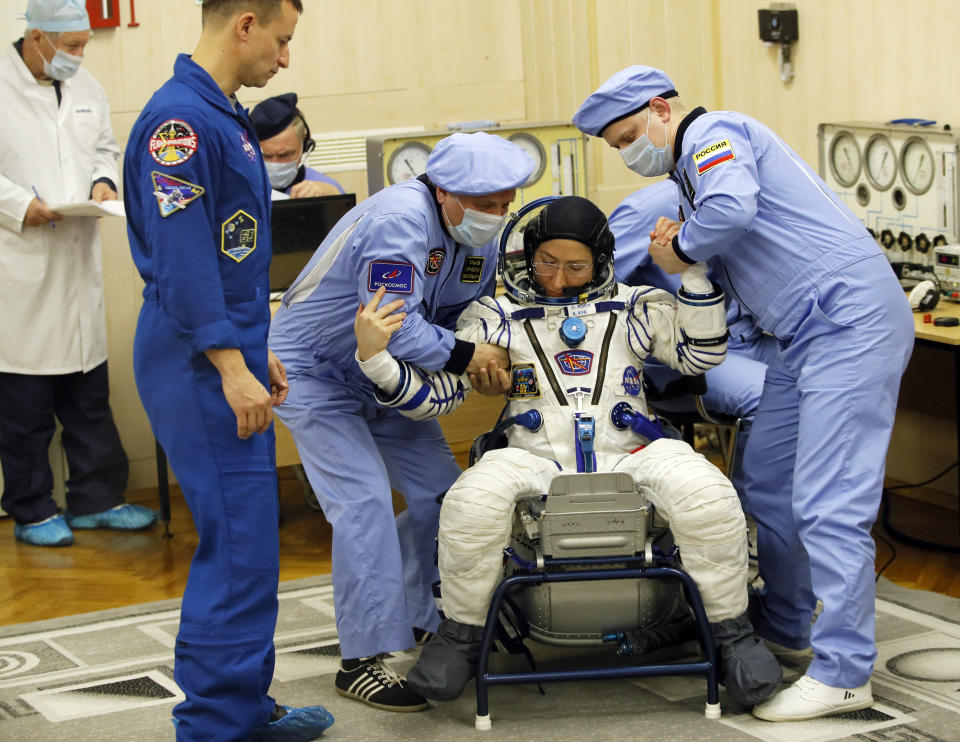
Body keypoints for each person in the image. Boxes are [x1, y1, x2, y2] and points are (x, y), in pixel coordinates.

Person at [573, 65, 914, 721]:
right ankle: (788, 628)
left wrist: (681, 254)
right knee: (766, 481)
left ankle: (845, 674)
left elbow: (732, 211)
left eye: (626, 137)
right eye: (614, 146)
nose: (626, 152)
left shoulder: (713, 134)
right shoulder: (683, 178)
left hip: (849, 323)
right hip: (798, 336)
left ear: (660, 110)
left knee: (827, 502)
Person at [353, 196, 782, 708]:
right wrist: (374, 357)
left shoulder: (635, 305)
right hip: (532, 455)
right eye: (546, 264)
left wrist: (689, 275)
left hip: (631, 450)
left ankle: (732, 635)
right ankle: (461, 638)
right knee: (470, 502)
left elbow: (701, 353)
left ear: (601, 261)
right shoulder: (495, 315)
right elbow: (435, 397)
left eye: (575, 267)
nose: (558, 280)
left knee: (709, 494)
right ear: (526, 257)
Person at [123, 1, 334, 740]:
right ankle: (216, 725)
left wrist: (255, 347)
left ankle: (243, 704)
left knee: (249, 538)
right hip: (193, 355)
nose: (284, 60)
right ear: (244, 23)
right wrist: (227, 363)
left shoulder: (220, 114)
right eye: (281, 40)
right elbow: (182, 265)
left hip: (222, 342)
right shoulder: (179, 124)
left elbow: (229, 255)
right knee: (238, 544)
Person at [268, 131, 534, 712]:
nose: (498, 215)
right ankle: (361, 658)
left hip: (388, 374)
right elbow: (393, 324)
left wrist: (487, 350)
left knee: (448, 495)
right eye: (487, 205)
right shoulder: (400, 221)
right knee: (362, 499)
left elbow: (470, 311)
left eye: (506, 203)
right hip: (313, 371)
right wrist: (467, 357)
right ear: (445, 194)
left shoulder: (477, 232)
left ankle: (415, 616)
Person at [0, 0, 156, 548]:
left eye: (84, 45)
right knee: (25, 406)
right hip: (20, 267)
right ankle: (31, 507)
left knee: (88, 395)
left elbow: (105, 150)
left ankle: (97, 499)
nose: (80, 56)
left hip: (78, 258)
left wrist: (102, 184)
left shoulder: (87, 88)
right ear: (37, 36)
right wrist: (22, 206)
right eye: (71, 47)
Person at [609, 180, 779, 503]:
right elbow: (597, 292)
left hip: (747, 334)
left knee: (825, 370)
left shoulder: (745, 202)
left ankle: (804, 506)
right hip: (683, 358)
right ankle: (750, 518)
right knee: (771, 395)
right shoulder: (647, 211)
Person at [250, 92, 345, 198]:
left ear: (305, 148)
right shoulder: (241, 190)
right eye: (266, 156)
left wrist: (335, 197)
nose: (275, 164)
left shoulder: (327, 189)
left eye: (284, 155)